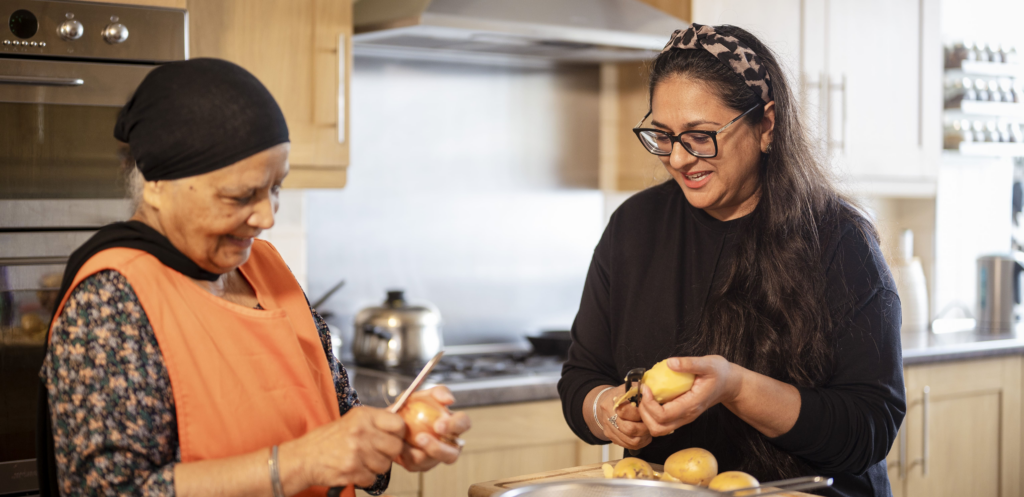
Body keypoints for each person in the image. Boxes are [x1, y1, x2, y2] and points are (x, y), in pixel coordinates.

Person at [38, 58, 470, 497]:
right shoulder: (112, 300)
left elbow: (338, 423)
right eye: (241, 195)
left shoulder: (267, 268)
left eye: (275, 187)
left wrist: (394, 434)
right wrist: (301, 463)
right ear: (156, 184)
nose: (266, 216)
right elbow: (110, 491)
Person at [558, 24, 905, 497]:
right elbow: (581, 378)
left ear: (766, 124)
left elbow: (870, 427)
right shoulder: (633, 228)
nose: (679, 159)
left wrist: (736, 387)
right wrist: (610, 410)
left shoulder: (839, 241)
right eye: (663, 135)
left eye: (701, 135)